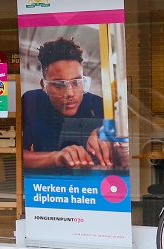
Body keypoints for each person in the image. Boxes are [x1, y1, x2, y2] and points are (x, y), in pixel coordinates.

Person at [21, 37, 115, 170]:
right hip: (44, 184)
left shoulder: (99, 105)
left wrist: (107, 134)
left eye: (76, 82)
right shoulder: (31, 101)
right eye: (59, 84)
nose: (70, 93)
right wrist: (56, 157)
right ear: (44, 85)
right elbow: (18, 155)